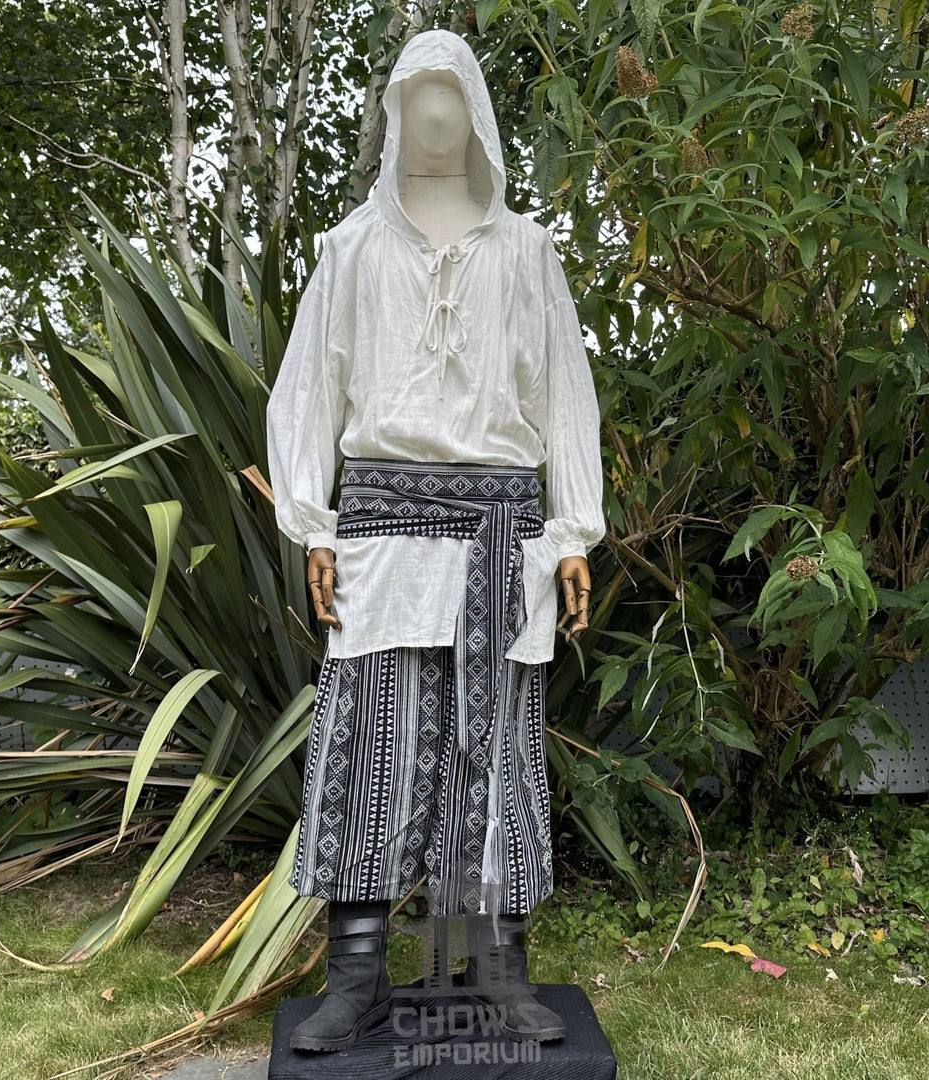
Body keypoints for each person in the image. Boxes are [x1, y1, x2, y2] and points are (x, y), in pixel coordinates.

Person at [266, 28, 604, 1054]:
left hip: (502, 527)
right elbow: (307, 393)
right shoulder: (351, 249)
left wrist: (575, 527)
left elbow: (564, 401)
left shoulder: (527, 252)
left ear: (477, 113)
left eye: (449, 95)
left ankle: (498, 969)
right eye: (414, 97)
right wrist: (311, 522)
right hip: (379, 522)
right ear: (395, 115)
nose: (433, 115)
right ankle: (356, 978)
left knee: (494, 753)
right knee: (374, 744)